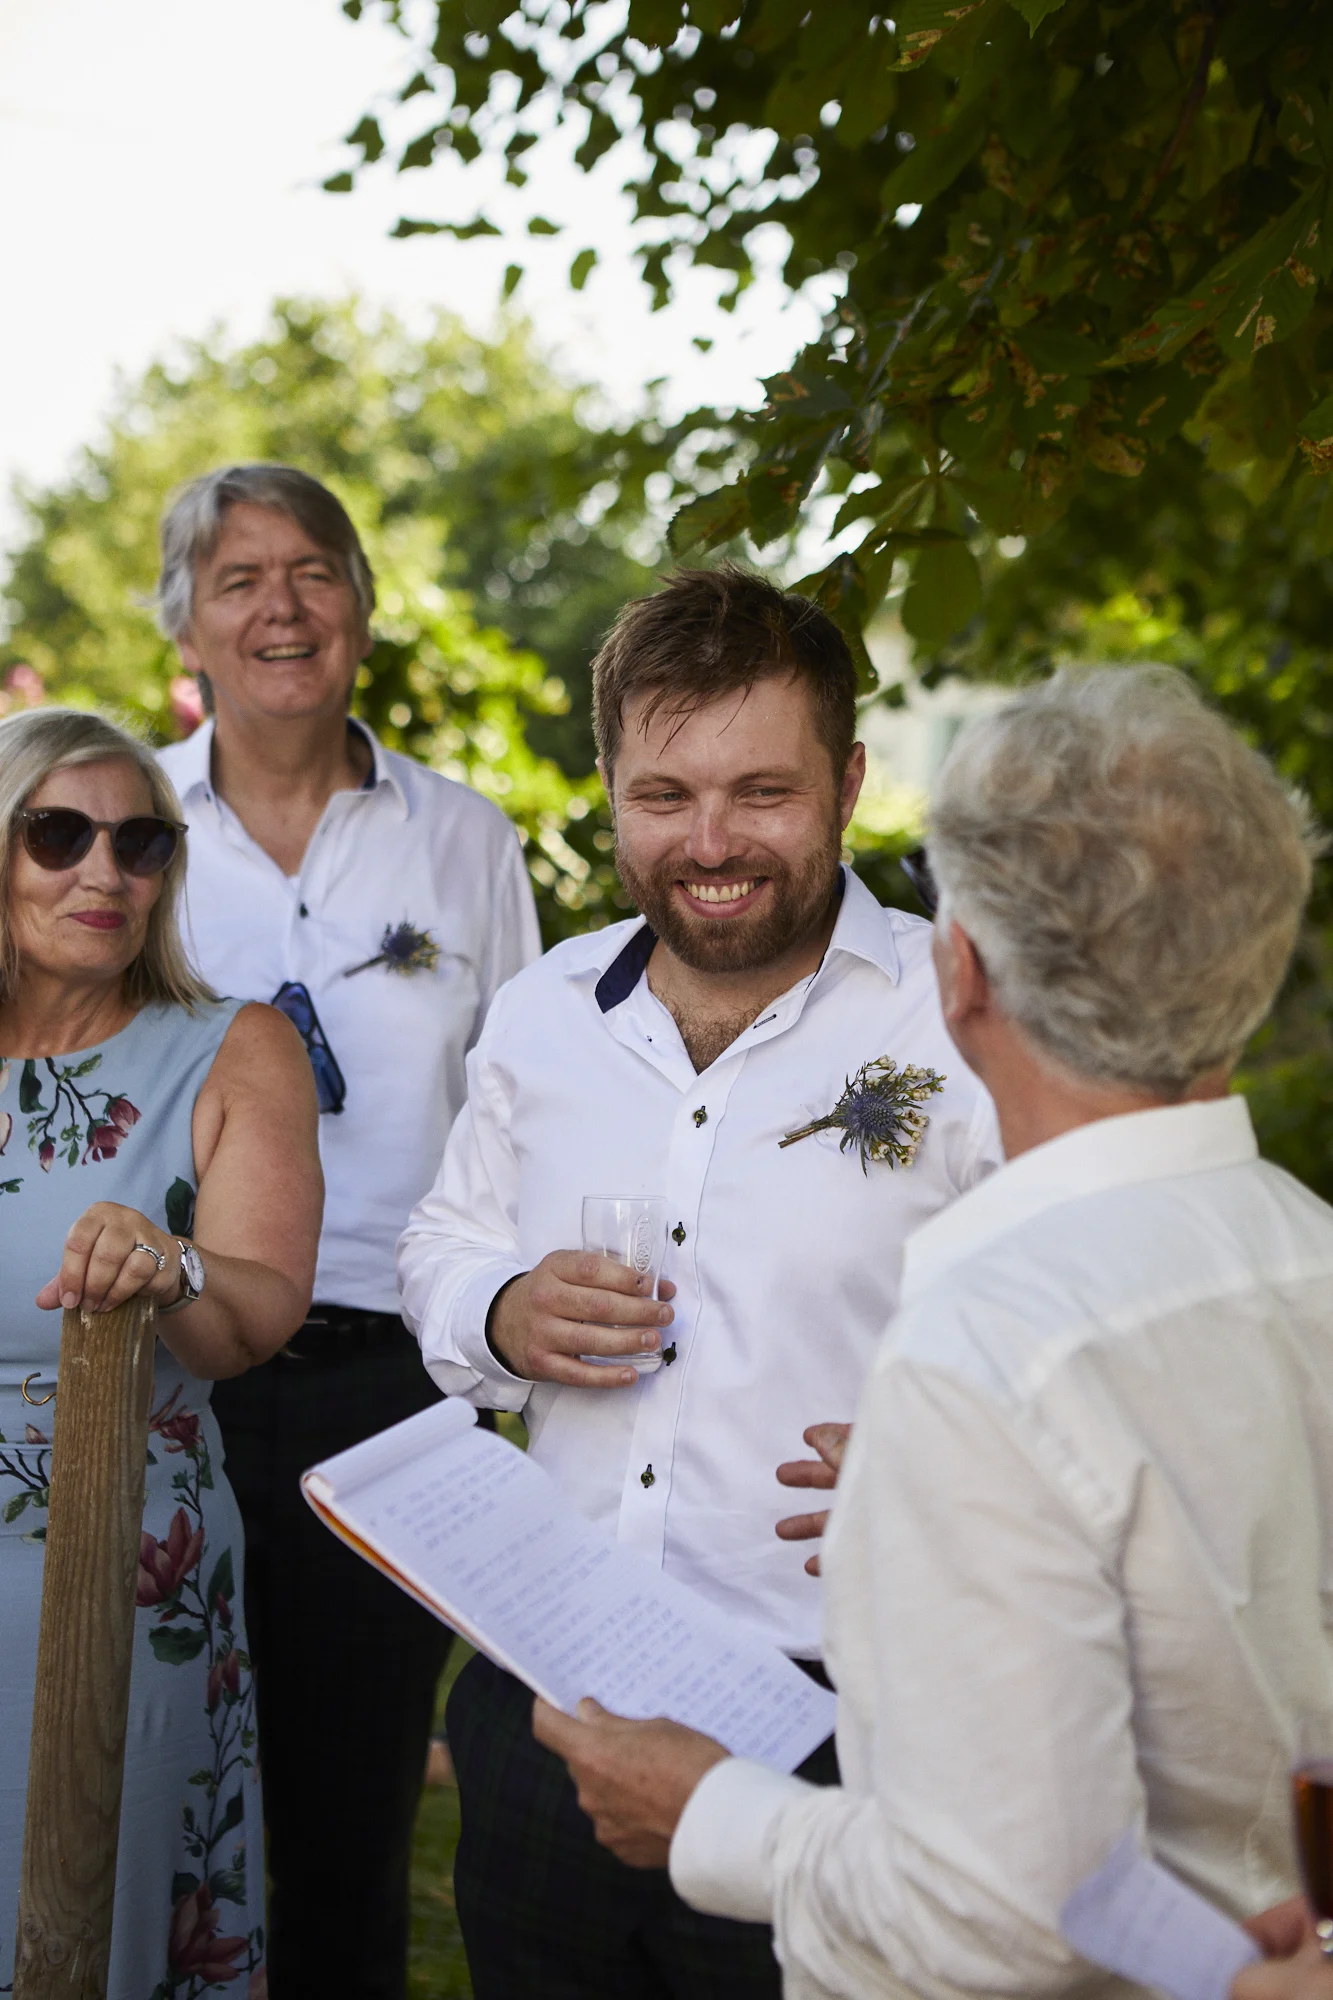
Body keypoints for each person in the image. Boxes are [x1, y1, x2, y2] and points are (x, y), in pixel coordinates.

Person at [533, 665, 1333, 2000]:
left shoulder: (989, 1352)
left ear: (958, 972)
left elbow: (998, 1922)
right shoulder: (1307, 1252)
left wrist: (716, 1817)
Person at [397, 564, 1001, 1997]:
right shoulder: (547, 1008)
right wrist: (499, 1308)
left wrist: (963, 1462)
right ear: (608, 786)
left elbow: (1066, 1320)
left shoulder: (965, 1014)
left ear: (849, 780)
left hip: (839, 1725)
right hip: (546, 1702)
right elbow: (439, 1247)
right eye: (664, 796)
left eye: (762, 793)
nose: (711, 842)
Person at [154, 465, 540, 2000]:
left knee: (352, 1808)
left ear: (364, 607)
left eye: (313, 570)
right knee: (151, 1777)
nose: (281, 606)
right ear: (183, 617)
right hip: (162, 1357)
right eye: (239, 576)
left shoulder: (466, 843)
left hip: (389, 1384)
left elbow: (526, 1103)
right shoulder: (118, 830)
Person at [0, 707, 321, 1996]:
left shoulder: (235, 1047)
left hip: (123, 1557)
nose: (104, 873)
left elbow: (254, 1319)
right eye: (59, 834)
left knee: (102, 1912)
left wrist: (170, 1263)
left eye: (140, 842)